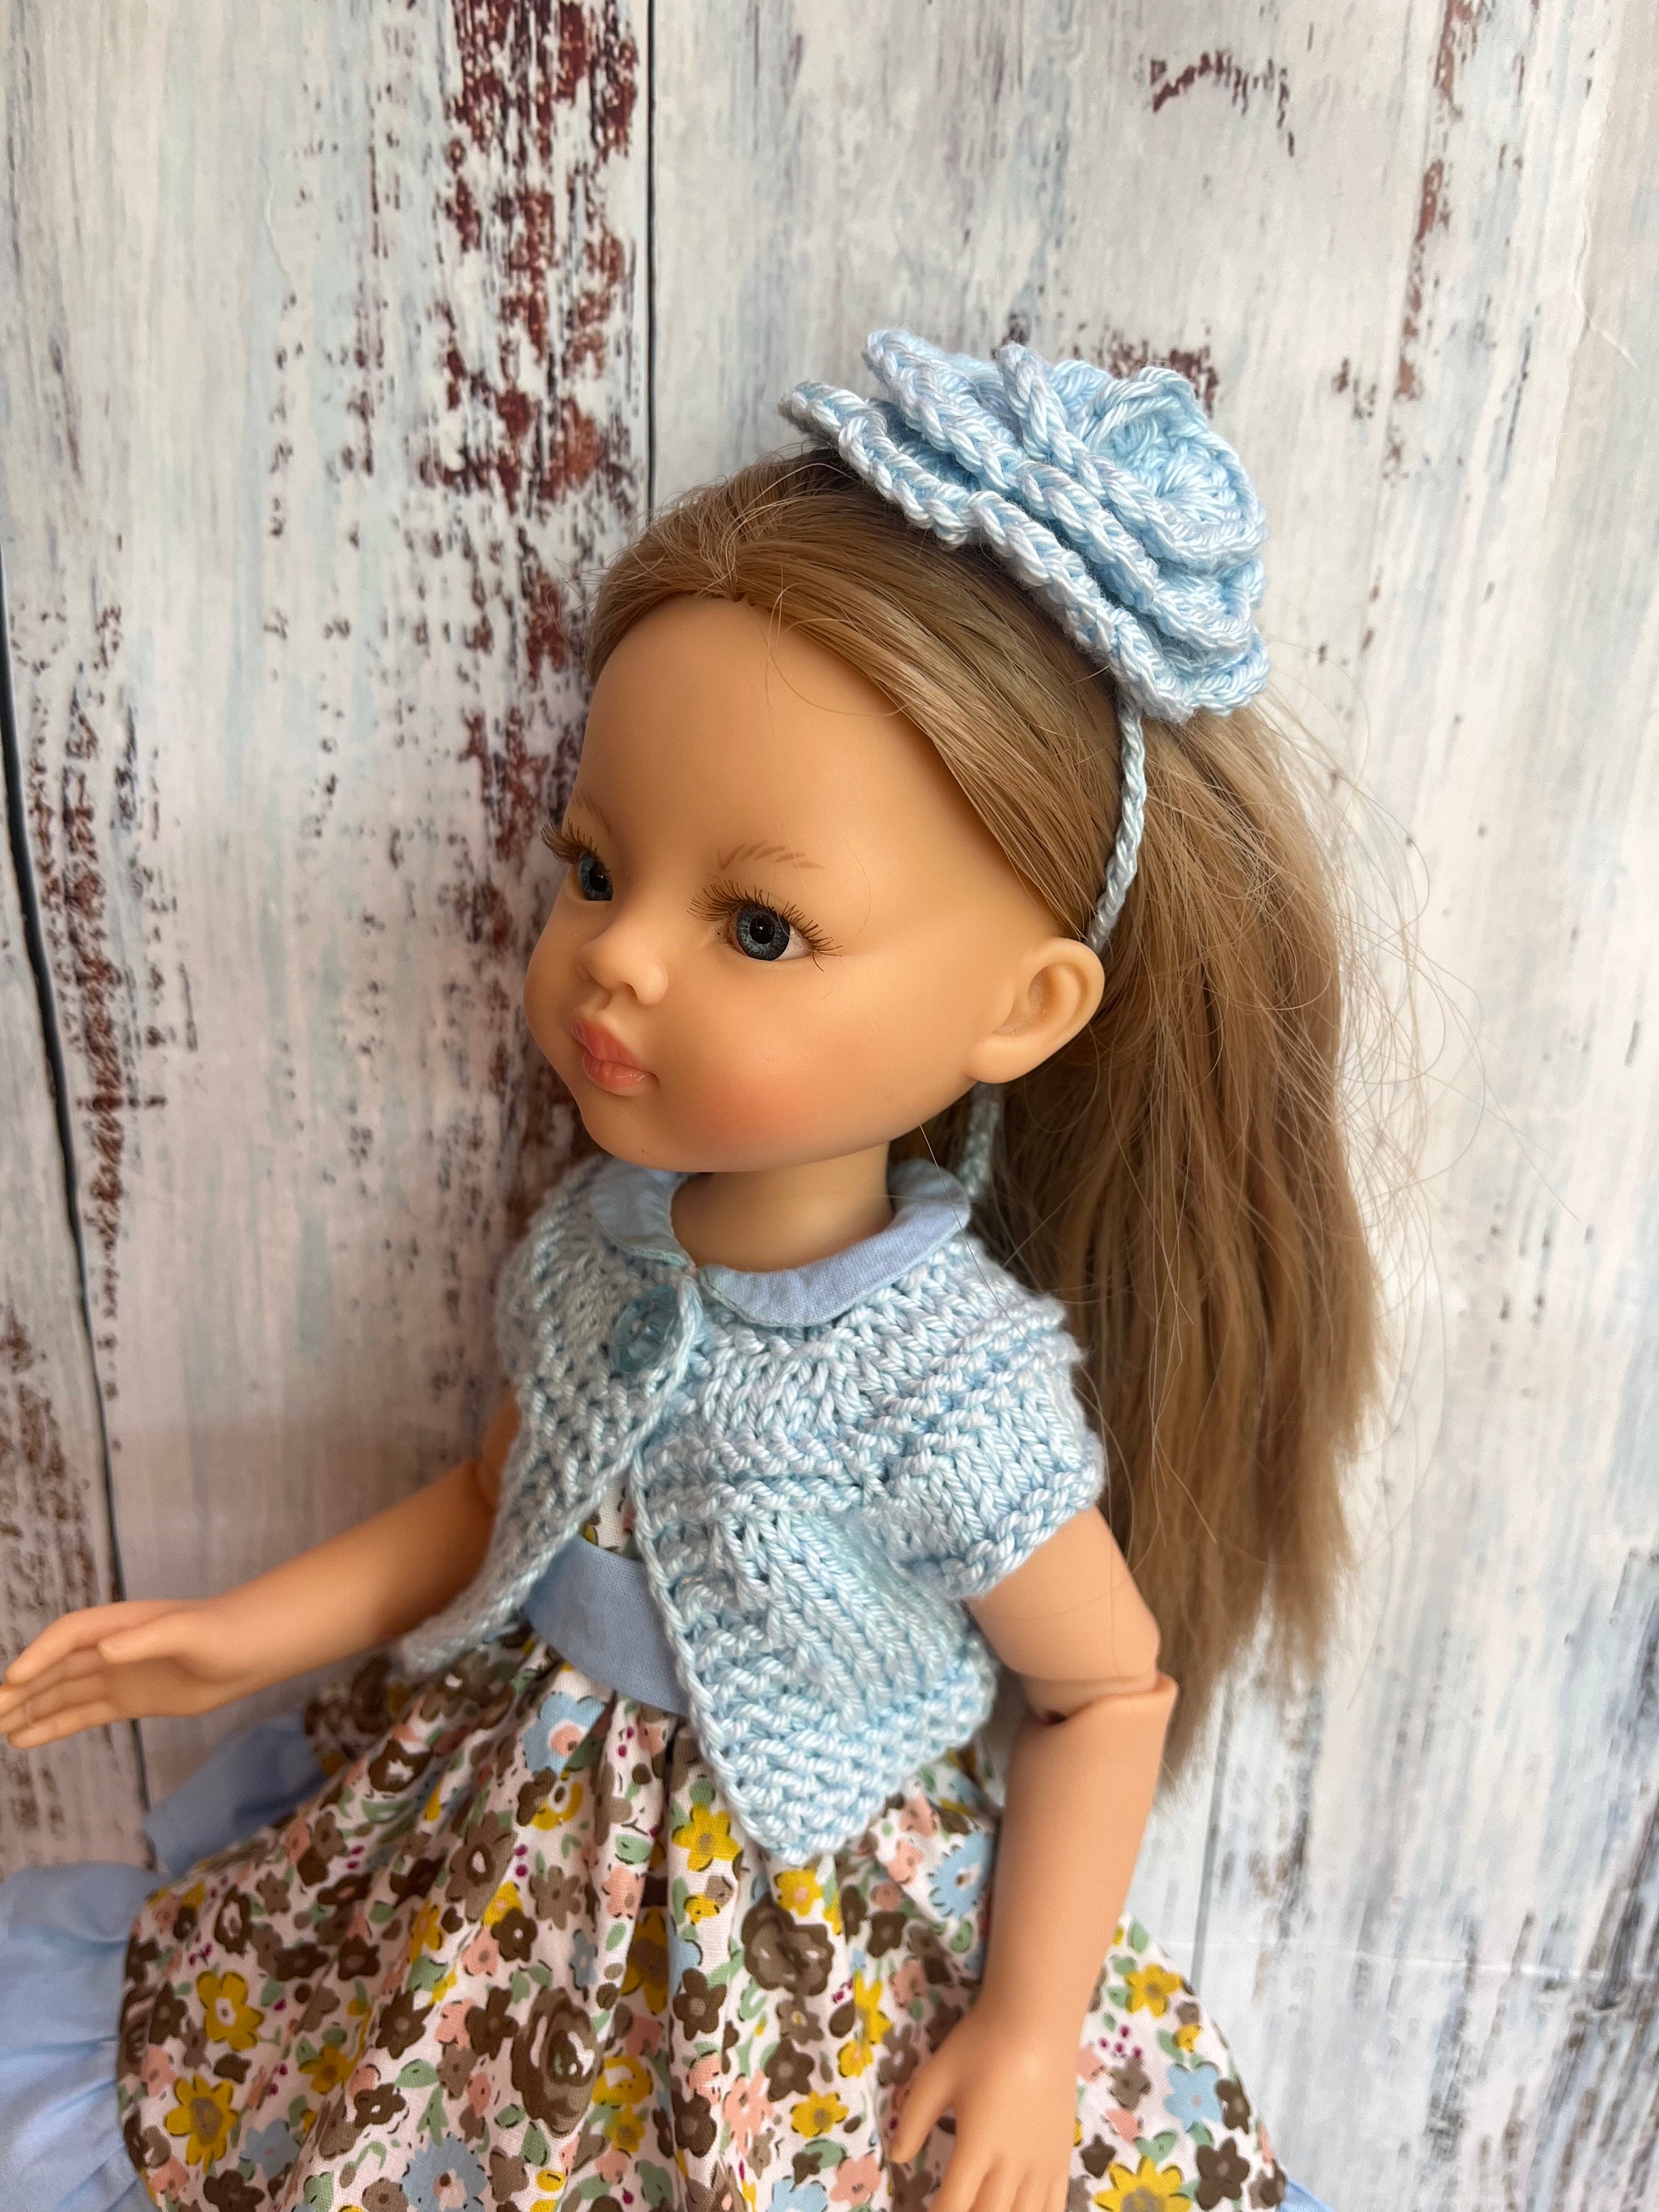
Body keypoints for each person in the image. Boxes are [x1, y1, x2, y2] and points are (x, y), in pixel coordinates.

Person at [0, 331, 1373, 2212]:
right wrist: (234, 1635)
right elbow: (496, 1499)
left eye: (760, 926)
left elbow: (1103, 1691)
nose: (618, 960)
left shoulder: (940, 1381)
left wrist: (1032, 2029)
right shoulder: (601, 1239)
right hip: (493, 1877)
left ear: (1025, 1008)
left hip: (783, 1944)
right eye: (594, 869)